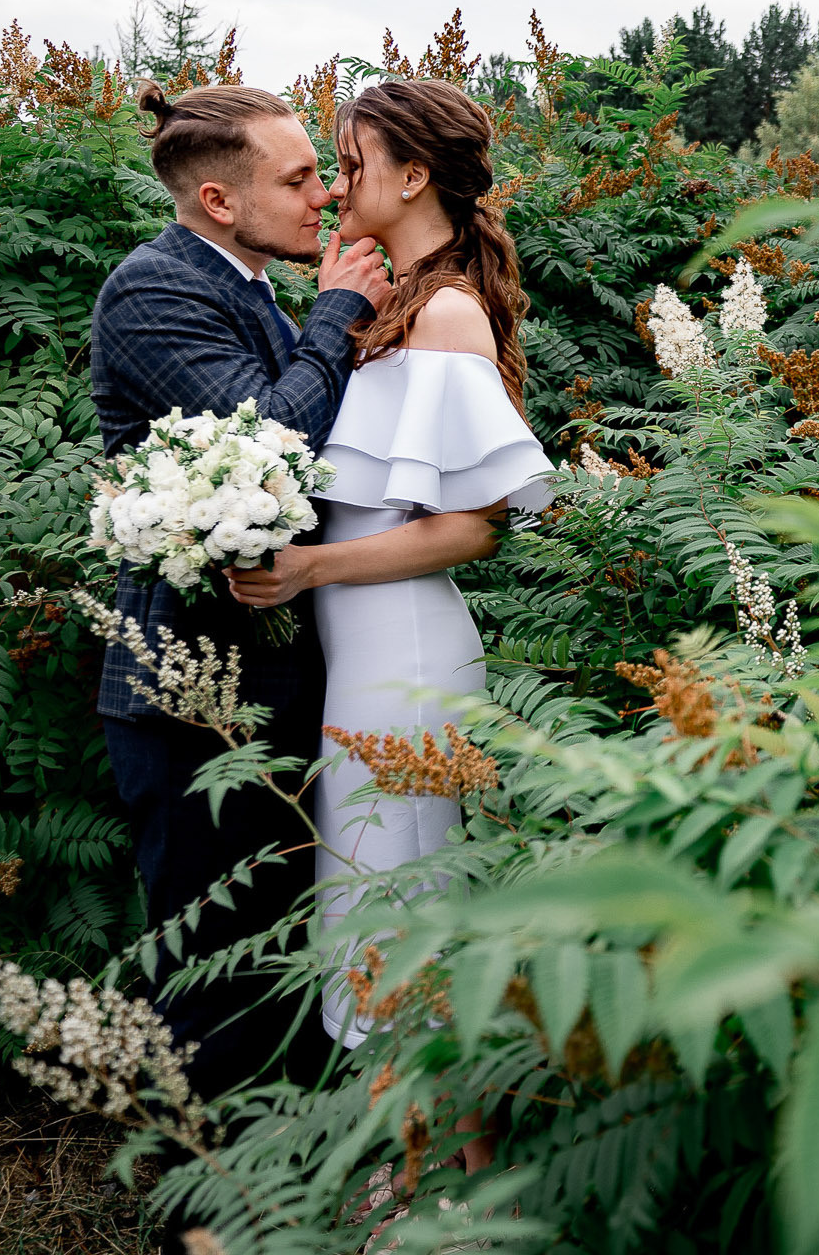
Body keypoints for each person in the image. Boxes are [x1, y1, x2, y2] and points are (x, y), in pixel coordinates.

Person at [223, 78, 551, 1170]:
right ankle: (421, 1175)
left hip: (405, 649)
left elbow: (472, 529)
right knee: (377, 910)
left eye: (352, 162)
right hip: (365, 648)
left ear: (414, 178)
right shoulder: (393, 306)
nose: (336, 181)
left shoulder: (448, 310)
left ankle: (439, 1195)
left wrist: (311, 562)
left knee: (401, 912)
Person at [88, 82, 392, 1099]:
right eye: (300, 179)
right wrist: (342, 315)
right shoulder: (152, 288)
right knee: (216, 987)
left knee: (287, 967)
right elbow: (266, 440)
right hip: (188, 700)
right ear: (221, 200)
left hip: (277, 681)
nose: (326, 199)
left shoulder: (251, 283)